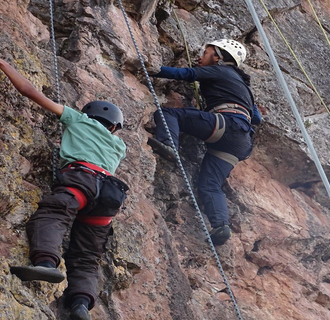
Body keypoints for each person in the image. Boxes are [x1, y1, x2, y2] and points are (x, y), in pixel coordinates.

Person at [0, 59, 128, 320]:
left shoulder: (79, 120)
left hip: (83, 180)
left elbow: (29, 91)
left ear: (89, 116)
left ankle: (46, 264)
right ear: (114, 127)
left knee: (53, 214)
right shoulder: (119, 145)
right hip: (110, 195)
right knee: (87, 255)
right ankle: (80, 304)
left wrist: (3, 63)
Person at [147, 39, 261, 246]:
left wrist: (152, 69)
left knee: (168, 113)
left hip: (226, 125)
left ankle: (169, 145)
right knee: (210, 185)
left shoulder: (220, 70)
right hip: (241, 142)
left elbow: (187, 74)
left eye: (206, 52)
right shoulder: (244, 87)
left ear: (218, 57)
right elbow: (257, 119)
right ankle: (221, 226)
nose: (201, 57)